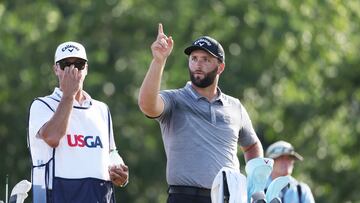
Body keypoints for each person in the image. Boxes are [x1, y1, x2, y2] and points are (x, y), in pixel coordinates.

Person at [138, 23, 264, 203]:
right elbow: (146, 105)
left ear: (220, 67)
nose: (198, 64)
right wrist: (158, 60)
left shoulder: (235, 106)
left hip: (228, 197)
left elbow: (252, 146)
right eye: (194, 58)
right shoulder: (175, 100)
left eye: (206, 59)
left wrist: (256, 188)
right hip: (184, 197)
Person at [27, 41, 129, 203]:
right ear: (56, 69)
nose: (73, 70)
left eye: (79, 64)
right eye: (66, 65)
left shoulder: (101, 109)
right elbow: (52, 138)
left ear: (86, 69)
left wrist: (119, 172)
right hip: (58, 193)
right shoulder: (42, 105)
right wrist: (68, 95)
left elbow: (111, 152)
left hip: (99, 194)